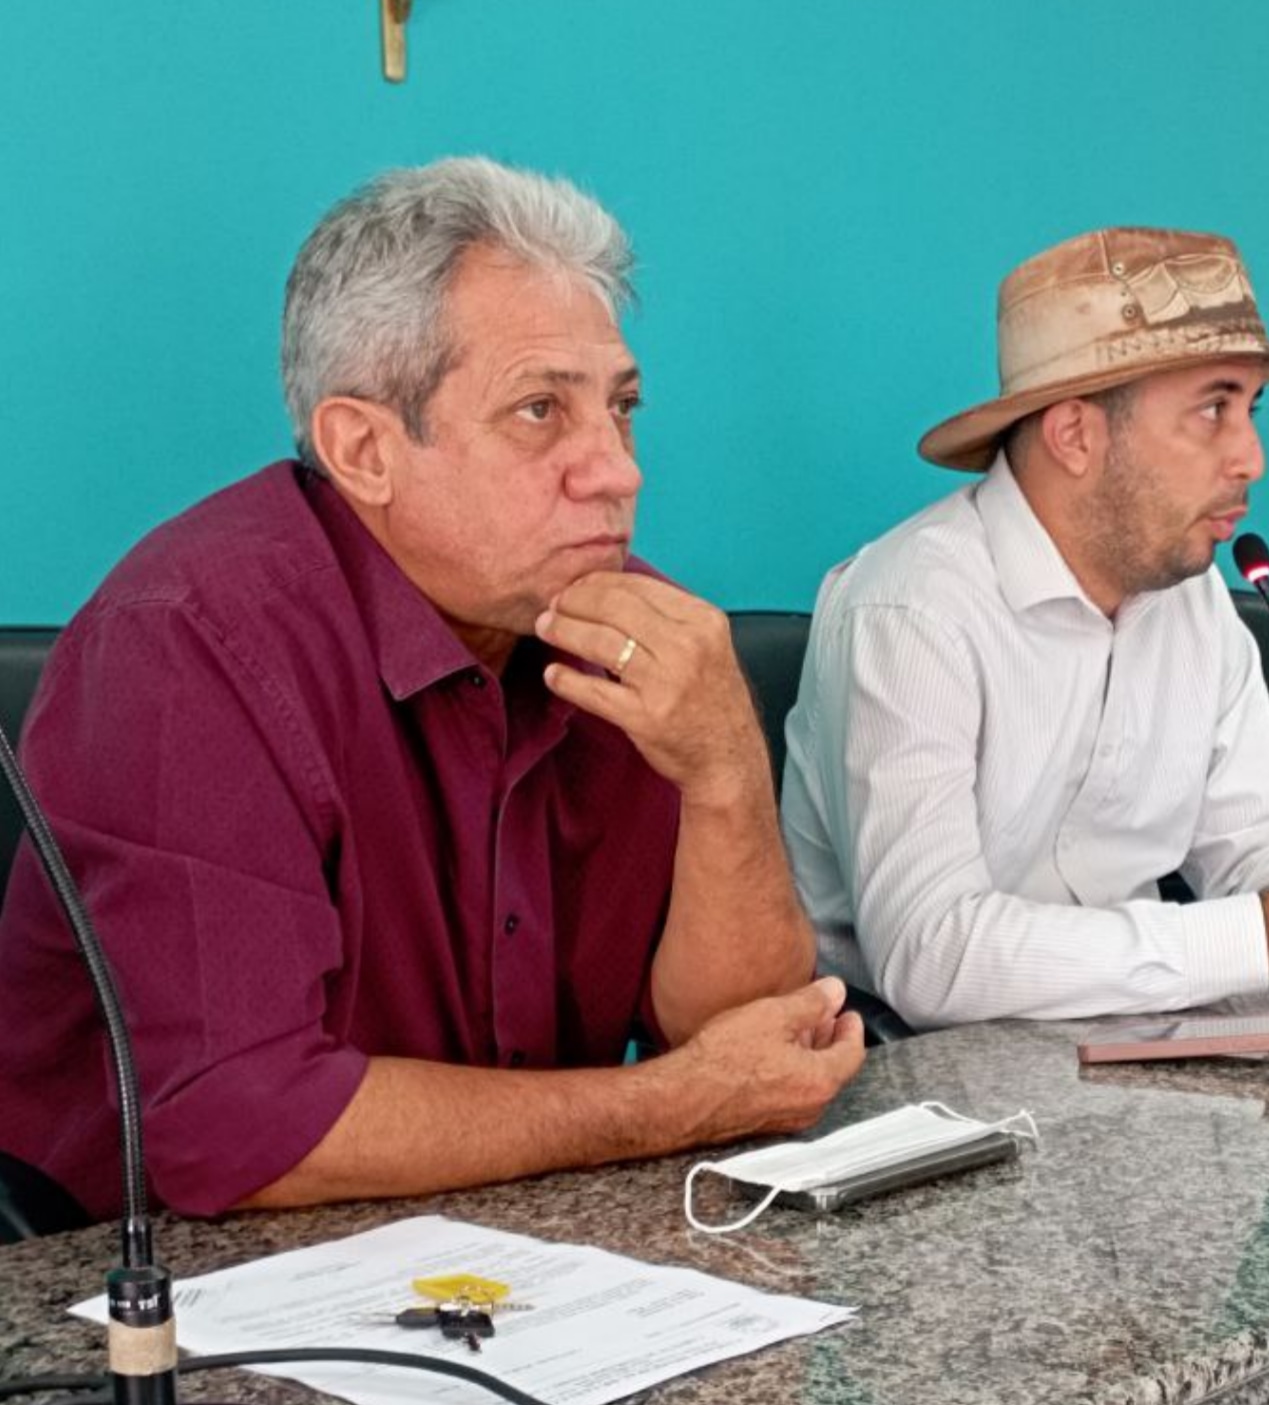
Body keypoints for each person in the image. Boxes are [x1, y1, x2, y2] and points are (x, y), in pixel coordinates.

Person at [0, 158, 862, 1222]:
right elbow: (243, 1132)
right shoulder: (185, 641)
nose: (618, 469)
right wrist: (668, 1104)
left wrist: (725, 768)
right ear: (363, 449)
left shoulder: (635, 630)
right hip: (130, 1265)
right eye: (540, 410)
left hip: (504, 1232)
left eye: (622, 408)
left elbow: (751, 1051)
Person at [780, 226, 1269, 1029]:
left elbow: (1250, 842)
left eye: (1251, 409)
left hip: (1143, 1033)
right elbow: (930, 955)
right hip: (911, 1059)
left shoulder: (1196, 600)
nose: (1252, 458)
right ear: (1076, 435)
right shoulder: (910, 611)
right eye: (1213, 409)